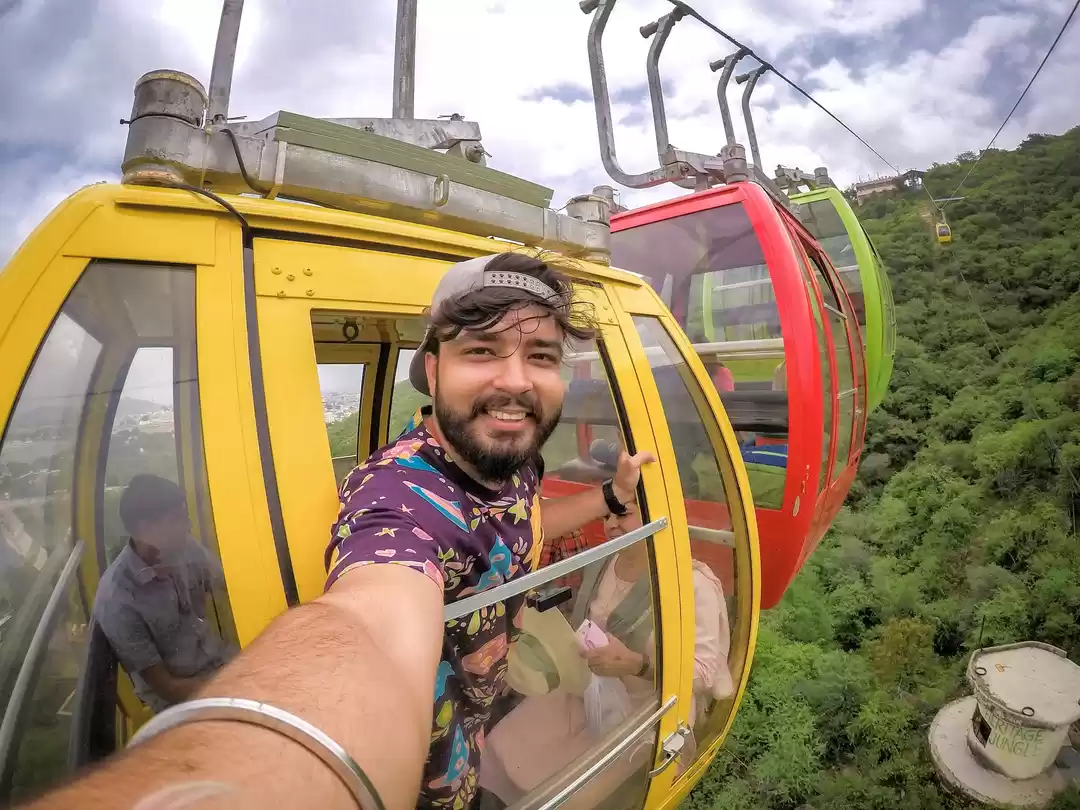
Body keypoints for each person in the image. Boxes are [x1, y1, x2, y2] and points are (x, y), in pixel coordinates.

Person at [19, 251, 653, 810]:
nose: (516, 381)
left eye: (540, 356)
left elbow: (526, 523)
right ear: (432, 373)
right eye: (481, 350)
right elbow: (368, 624)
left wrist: (610, 496)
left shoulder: (511, 456)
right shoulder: (400, 496)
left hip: (470, 727)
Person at [478, 507, 732, 808]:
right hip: (587, 687)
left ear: (658, 516)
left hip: (647, 708)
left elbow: (702, 672)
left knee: (570, 796)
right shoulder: (604, 561)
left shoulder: (690, 583)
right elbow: (579, 624)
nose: (611, 525)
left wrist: (639, 665)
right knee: (500, 746)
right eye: (607, 516)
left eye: (623, 515)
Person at [92, 474, 234, 713]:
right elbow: (167, 687)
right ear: (146, 529)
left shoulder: (185, 547)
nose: (188, 527)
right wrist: (231, 688)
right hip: (183, 701)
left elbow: (226, 588)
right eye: (178, 519)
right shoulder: (118, 600)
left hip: (221, 666)